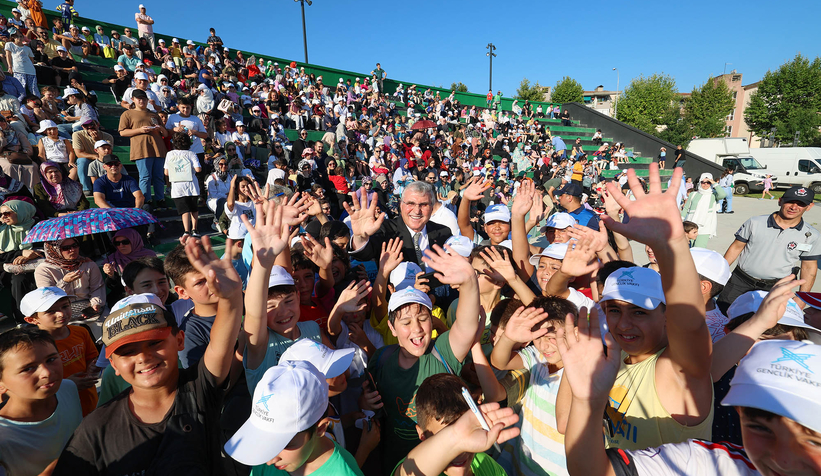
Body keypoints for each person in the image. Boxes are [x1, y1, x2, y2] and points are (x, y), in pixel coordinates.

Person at [53, 231, 244, 474]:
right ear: (113, 364)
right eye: (127, 351)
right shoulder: (95, 429)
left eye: (154, 343)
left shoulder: (200, 388)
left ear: (179, 340)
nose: (143, 357)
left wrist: (231, 297)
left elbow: (221, 343)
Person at [556, 165, 714, 452]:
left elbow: (690, 322)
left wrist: (671, 244)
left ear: (667, 315)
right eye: (614, 310)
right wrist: (575, 365)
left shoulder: (677, 369)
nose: (623, 323)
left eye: (639, 311)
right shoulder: (614, 360)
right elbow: (566, 424)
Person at [561, 309, 821, 476]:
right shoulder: (704, 461)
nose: (783, 459)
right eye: (760, 428)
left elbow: (690, 327)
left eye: (814, 440)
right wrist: (586, 400)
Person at [365, 242, 483, 473]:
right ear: (392, 328)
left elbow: (467, 326)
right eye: (406, 322)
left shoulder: (444, 351)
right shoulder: (381, 359)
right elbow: (368, 405)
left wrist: (469, 280)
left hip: (449, 463)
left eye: (422, 319)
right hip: (399, 463)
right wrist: (366, 403)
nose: (417, 329)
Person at [225, 360, 365, 476]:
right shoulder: (269, 457)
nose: (269, 460)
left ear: (321, 428)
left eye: (284, 444)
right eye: (264, 440)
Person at [491, 297, 578, 476]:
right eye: (537, 337)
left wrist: (573, 357)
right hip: (521, 462)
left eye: (551, 337)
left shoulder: (581, 373)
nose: (543, 345)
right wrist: (508, 337)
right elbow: (499, 362)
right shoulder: (537, 358)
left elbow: (566, 422)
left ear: (574, 333)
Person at [717, 186, 821, 313]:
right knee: (722, 316)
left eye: (801, 204)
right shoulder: (755, 222)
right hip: (740, 282)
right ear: (780, 201)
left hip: (776, 288)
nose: (794, 207)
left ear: (809, 207)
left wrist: (802, 298)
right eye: (790, 201)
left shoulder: (812, 235)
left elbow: (809, 267)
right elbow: (736, 247)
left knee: (766, 324)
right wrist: (718, 274)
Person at [392, 373, 519, 476]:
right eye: (444, 436)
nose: (459, 452)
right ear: (422, 435)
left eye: (468, 433)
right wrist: (456, 438)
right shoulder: (421, 465)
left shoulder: (485, 463)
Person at [0, 327, 82, 476]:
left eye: (51, 359)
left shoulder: (67, 388)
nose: (47, 372)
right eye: (28, 368)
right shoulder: (4, 437)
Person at [20, 287, 99, 416]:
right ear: (32, 320)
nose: (61, 314)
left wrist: (92, 369)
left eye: (65, 306)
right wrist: (67, 385)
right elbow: (32, 383)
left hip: (89, 400)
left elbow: (91, 357)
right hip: (59, 411)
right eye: (50, 311)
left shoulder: (81, 332)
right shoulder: (31, 348)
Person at [346, 181, 453, 267]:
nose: (417, 211)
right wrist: (360, 237)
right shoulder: (387, 230)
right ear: (401, 205)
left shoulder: (444, 233)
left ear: (432, 207)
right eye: (410, 203)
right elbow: (365, 254)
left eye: (424, 205)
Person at [118, 88, 168, 211]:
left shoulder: (153, 114)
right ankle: (146, 200)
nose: (142, 101)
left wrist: (160, 129)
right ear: (133, 99)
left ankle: (160, 199)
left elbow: (165, 133)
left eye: (144, 99)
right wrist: (140, 130)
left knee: (159, 176)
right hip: (141, 149)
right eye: (139, 99)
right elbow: (122, 132)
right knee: (145, 176)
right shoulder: (128, 114)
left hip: (158, 148)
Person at [34, 237, 105, 319]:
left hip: (89, 307)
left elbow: (97, 288)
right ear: (54, 250)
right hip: (59, 312)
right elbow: (47, 296)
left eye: (75, 245)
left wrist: (96, 304)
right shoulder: (44, 269)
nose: (73, 250)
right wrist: (64, 282)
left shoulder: (88, 264)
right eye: (66, 248)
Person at [164, 132, 202, 236]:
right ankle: (195, 229)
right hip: (191, 185)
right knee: (193, 208)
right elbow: (198, 169)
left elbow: (166, 172)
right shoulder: (191, 154)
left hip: (177, 186)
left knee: (184, 210)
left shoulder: (169, 154)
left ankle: (186, 231)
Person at [681, 172, 726, 247]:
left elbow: (723, 194)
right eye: (703, 182)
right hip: (691, 226)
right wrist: (681, 220)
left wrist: (714, 183)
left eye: (708, 183)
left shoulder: (713, 195)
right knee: (687, 248)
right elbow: (686, 208)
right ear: (700, 182)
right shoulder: (693, 194)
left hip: (705, 227)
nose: (705, 184)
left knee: (699, 249)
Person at [72, 119, 113, 195]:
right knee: (82, 161)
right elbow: (79, 154)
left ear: (98, 124)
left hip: (102, 160)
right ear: (82, 127)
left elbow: (108, 153)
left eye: (92, 124)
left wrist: (98, 140)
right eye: (86, 125)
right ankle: (86, 189)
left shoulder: (108, 136)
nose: (90, 127)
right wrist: (95, 156)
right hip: (88, 159)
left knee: (108, 162)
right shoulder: (77, 134)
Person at [4, 31, 38, 97]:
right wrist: (10, 66)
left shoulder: (27, 48)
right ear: (13, 38)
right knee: (21, 89)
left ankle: (37, 101)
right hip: (18, 70)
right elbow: (8, 56)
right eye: (17, 36)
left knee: (34, 89)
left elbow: (31, 59)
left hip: (31, 71)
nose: (19, 38)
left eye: (21, 36)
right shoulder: (9, 44)